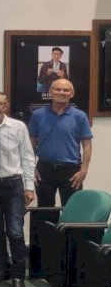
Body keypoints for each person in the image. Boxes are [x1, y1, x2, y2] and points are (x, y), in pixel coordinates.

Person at [0, 91, 36, 287]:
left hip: (14, 185)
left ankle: (18, 277)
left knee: (15, 231)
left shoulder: (18, 127)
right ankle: (2, 268)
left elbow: (28, 157)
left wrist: (29, 187)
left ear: (6, 105)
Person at [28, 78, 92, 210]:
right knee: (44, 211)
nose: (62, 92)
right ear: (50, 92)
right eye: (57, 89)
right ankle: (47, 232)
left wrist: (84, 170)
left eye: (66, 90)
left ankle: (70, 232)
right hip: (44, 170)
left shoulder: (80, 116)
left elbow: (87, 145)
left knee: (73, 211)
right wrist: (31, 167)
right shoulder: (37, 115)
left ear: (71, 94)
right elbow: (31, 143)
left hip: (71, 171)